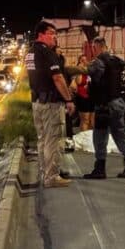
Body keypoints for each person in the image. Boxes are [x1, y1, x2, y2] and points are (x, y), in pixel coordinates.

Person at [26, 20, 75, 188]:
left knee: (42, 140)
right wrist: (68, 99)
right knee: (52, 140)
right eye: (52, 33)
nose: (55, 37)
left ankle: (44, 172)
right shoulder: (47, 53)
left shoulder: (31, 52)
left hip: (37, 103)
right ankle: (51, 177)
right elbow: (58, 78)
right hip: (50, 104)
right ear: (41, 34)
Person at [83, 37, 125, 179]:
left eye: (94, 48)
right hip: (118, 102)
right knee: (119, 133)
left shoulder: (99, 62)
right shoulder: (117, 60)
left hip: (104, 104)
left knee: (100, 136)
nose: (93, 51)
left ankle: (100, 169)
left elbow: (88, 72)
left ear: (98, 47)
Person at [73, 55, 94, 131]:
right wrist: (80, 69)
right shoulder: (79, 71)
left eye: (86, 60)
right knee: (85, 119)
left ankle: (90, 138)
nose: (84, 62)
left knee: (92, 120)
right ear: (79, 62)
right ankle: (83, 138)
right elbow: (78, 81)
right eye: (82, 60)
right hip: (82, 96)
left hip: (91, 96)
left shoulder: (90, 70)